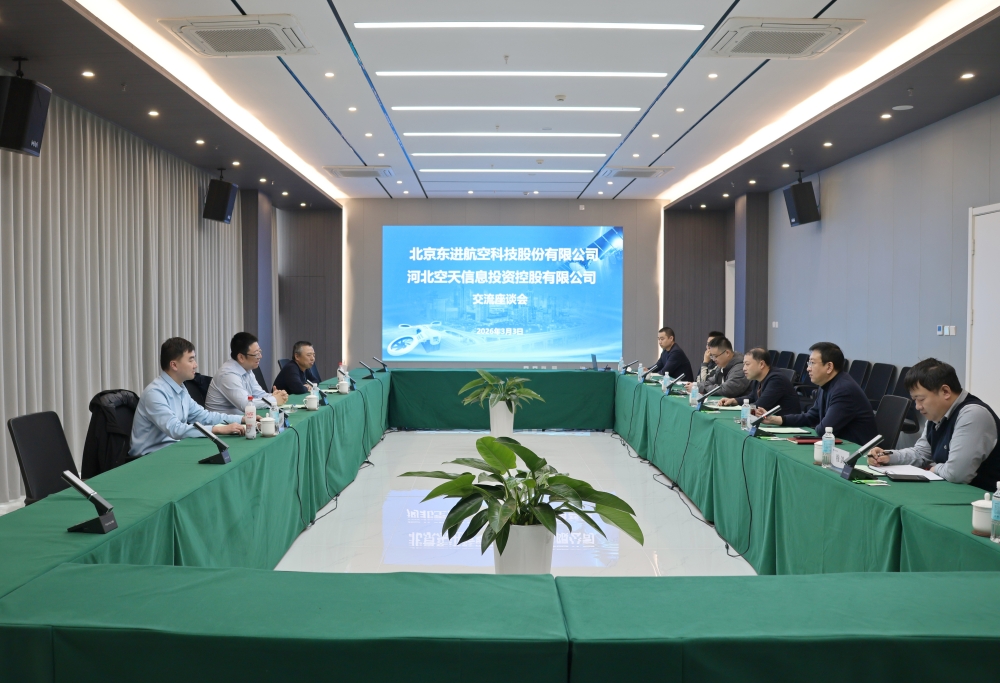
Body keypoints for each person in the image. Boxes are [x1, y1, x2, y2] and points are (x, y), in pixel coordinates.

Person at [867, 359, 1000, 491]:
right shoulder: (938, 414)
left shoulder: (973, 414)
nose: (917, 406)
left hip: (983, 498)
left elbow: (956, 473)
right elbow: (921, 453)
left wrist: (934, 468)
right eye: (915, 400)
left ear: (945, 392)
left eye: (921, 399)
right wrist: (888, 456)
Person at [129, 337, 245, 457]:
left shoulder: (181, 388)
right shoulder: (154, 393)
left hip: (173, 449)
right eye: (191, 360)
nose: (195, 365)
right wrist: (217, 429)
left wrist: (241, 419)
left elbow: (204, 416)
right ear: (174, 365)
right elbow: (175, 429)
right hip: (149, 456)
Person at [761, 341, 877, 446]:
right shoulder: (826, 385)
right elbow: (811, 416)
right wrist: (777, 419)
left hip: (857, 452)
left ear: (829, 367)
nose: (808, 368)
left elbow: (824, 430)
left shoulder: (844, 390)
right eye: (808, 363)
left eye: (812, 363)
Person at [205, 332, 288, 415]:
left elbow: (258, 394)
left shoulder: (247, 369)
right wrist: (274, 400)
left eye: (260, 352)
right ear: (241, 357)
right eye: (256, 354)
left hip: (240, 418)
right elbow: (245, 404)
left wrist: (273, 396)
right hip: (222, 421)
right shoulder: (228, 374)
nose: (260, 356)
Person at [719, 347, 800, 415]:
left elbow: (760, 405)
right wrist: (734, 400)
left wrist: (744, 407)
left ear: (761, 364)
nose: (744, 368)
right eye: (744, 364)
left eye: (747, 364)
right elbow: (752, 397)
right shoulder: (758, 378)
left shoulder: (776, 380)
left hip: (786, 425)